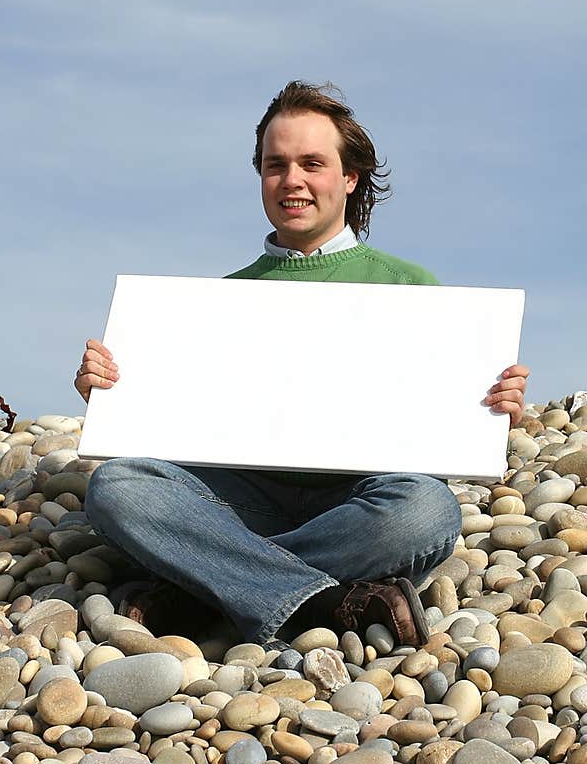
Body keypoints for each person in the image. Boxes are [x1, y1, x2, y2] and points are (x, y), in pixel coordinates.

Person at [79, 81, 529, 648]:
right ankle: (327, 601)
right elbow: (170, 427)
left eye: (311, 163)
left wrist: (490, 409)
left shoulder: (412, 286)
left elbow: (442, 437)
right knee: (118, 487)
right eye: (276, 165)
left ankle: (203, 588)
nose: (292, 180)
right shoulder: (216, 299)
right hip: (240, 504)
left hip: (357, 501)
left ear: (349, 178)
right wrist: (113, 391)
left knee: (423, 511)